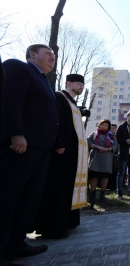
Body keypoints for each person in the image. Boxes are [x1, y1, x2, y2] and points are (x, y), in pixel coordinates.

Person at [0, 44, 59, 264]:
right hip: (22, 146)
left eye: (54, 55)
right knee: (9, 195)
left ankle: (15, 244)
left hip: (41, 151)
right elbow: (10, 101)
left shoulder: (45, 81)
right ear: (32, 55)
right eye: (48, 54)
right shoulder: (19, 68)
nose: (53, 57)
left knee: (30, 198)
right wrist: (16, 133)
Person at [30, 74, 89, 239]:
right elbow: (57, 121)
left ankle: (68, 222)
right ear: (69, 83)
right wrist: (60, 142)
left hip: (72, 153)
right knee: (58, 186)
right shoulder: (59, 97)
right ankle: (53, 226)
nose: (81, 87)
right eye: (79, 84)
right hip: (62, 151)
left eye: (82, 85)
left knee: (68, 186)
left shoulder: (73, 102)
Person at [87, 119, 118, 209]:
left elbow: (115, 145)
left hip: (107, 157)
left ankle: (102, 194)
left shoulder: (112, 135)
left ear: (108, 127)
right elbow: (88, 142)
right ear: (99, 125)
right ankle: (93, 195)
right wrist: (97, 146)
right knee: (94, 175)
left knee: (105, 176)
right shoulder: (94, 133)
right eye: (102, 124)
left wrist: (108, 149)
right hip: (96, 157)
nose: (103, 126)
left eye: (105, 125)